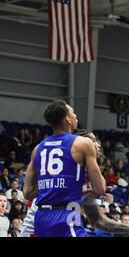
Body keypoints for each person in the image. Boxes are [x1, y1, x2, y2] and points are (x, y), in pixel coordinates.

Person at [23, 100, 107, 237]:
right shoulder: (83, 144)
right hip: (66, 215)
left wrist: (53, 182)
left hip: (41, 218)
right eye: (73, 113)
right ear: (68, 119)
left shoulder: (37, 149)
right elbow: (100, 188)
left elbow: (27, 192)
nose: (75, 116)